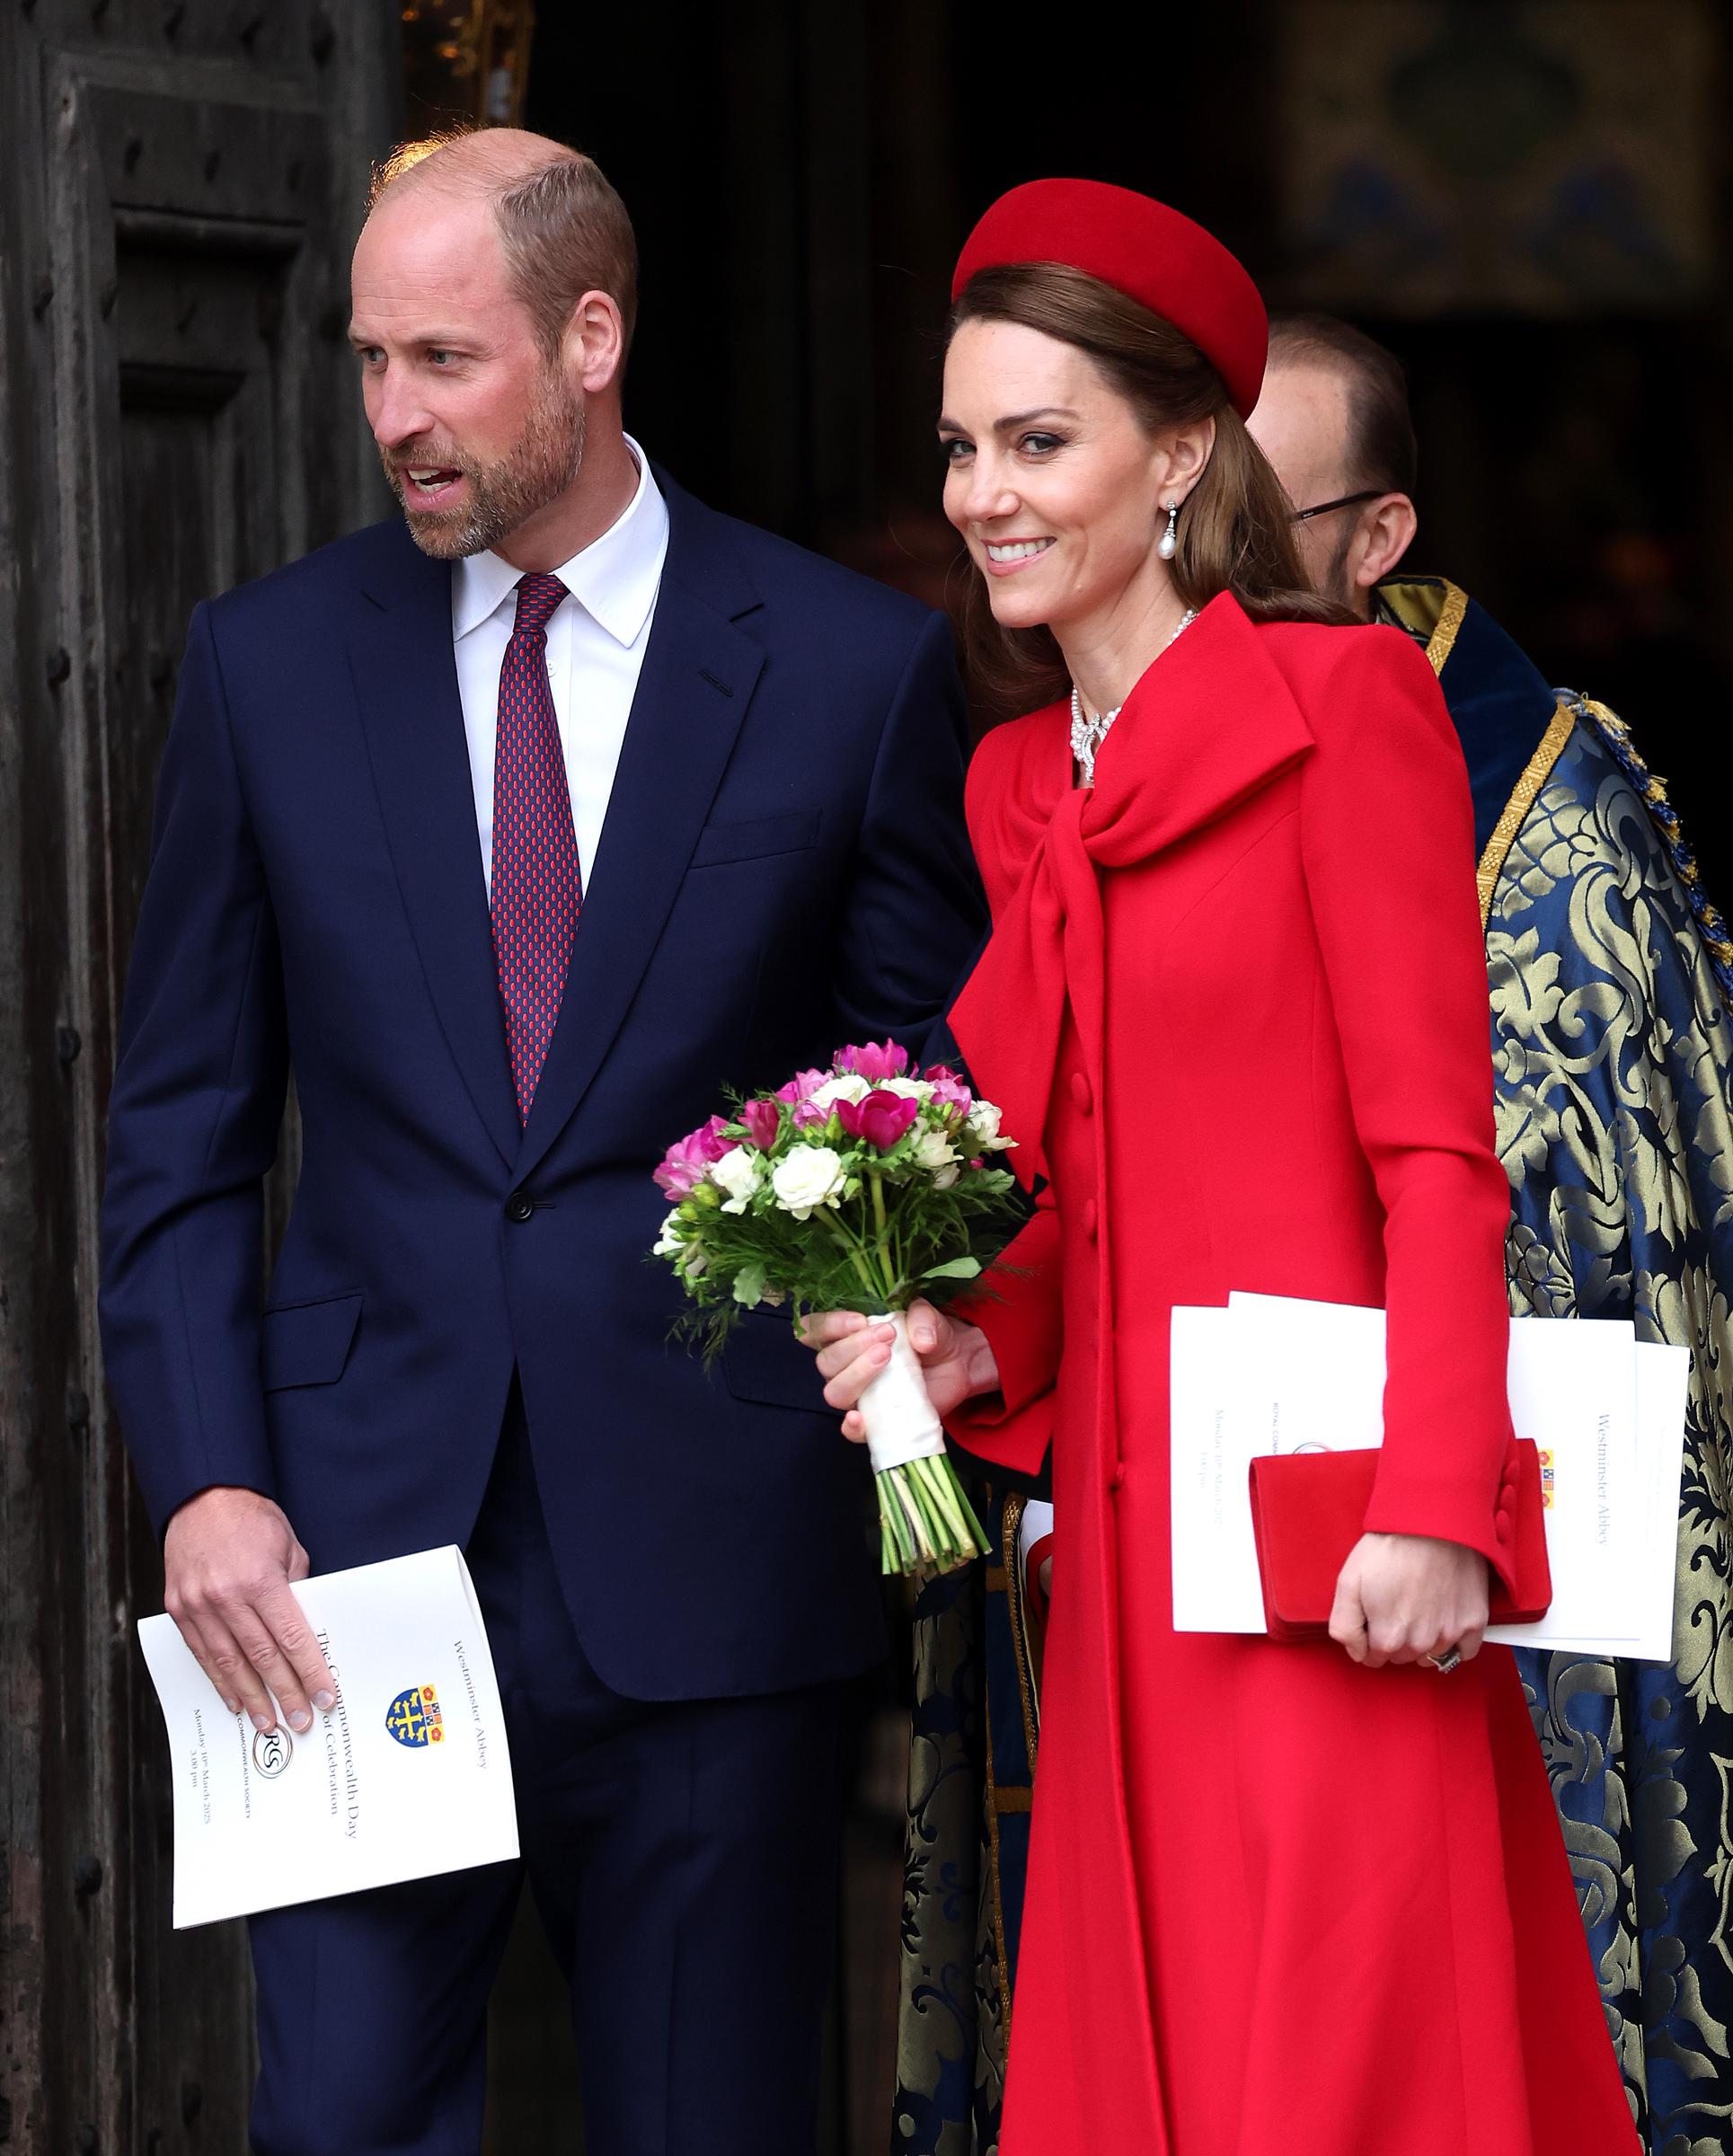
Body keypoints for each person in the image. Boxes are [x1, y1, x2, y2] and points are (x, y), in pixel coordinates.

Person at [97, 128, 984, 2156]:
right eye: (367, 363)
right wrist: (209, 1474)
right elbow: (179, 1128)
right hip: (340, 1576)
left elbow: (930, 1094)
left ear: (591, 340)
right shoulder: (267, 664)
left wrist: (909, 1330)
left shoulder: (847, 672)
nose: (396, 415)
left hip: (709, 1553)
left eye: (445, 360)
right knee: (334, 2125)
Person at [806, 181, 1635, 2156]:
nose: (983, 494)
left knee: (1338, 2084)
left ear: (1180, 454)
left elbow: (1438, 1162)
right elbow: (1086, 1182)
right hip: (1108, 1583)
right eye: (959, 446)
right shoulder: (1020, 778)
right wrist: (968, 1345)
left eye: (1035, 441)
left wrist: (1433, 1508)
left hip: (1321, 1561)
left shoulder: (1340, 709)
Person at [1248, 311, 1733, 2152]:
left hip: (1485, 1534)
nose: (1200, 557)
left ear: (1376, 539)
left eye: (1255, 516)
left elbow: (1608, 1198)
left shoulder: (1551, 810)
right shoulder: (1107, 737)